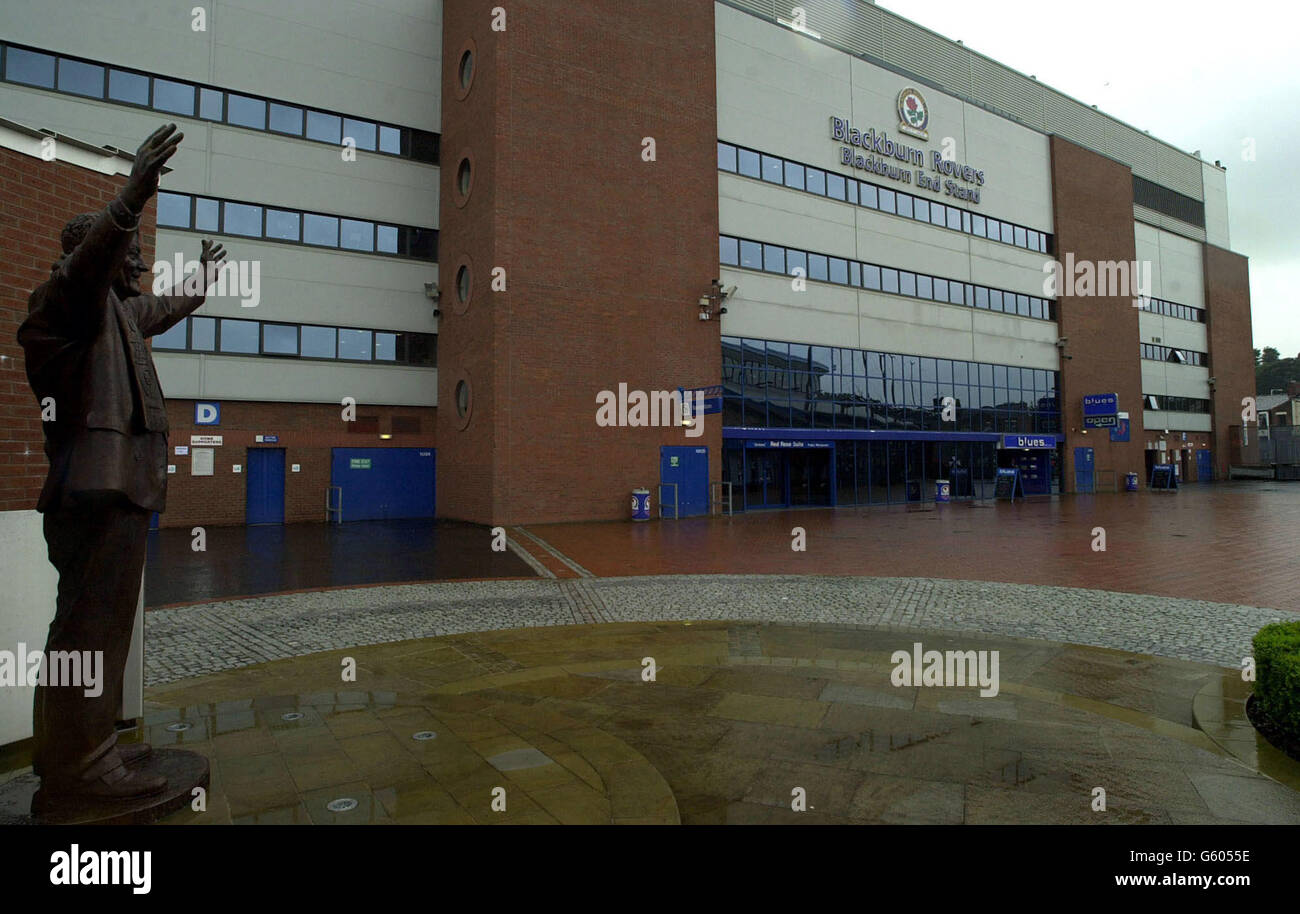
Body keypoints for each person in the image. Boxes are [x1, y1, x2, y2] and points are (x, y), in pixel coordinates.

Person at [17, 124, 227, 813]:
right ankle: (82, 766)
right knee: (88, 630)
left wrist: (201, 279)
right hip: (94, 491)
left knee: (98, 629)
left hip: (121, 491)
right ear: (89, 254)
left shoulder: (117, 313)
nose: (135, 263)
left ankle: (82, 749)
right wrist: (133, 194)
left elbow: (163, 306)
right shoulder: (62, 306)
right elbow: (92, 268)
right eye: (125, 252)